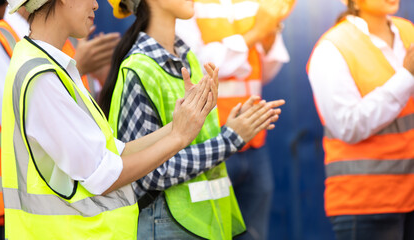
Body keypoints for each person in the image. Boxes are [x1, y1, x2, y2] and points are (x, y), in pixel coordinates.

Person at [1, 0, 218, 238]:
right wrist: (178, 137)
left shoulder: (46, 64)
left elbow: (113, 152)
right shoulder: (41, 77)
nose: (95, 5)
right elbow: (103, 176)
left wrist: (179, 124)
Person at [100, 0, 285, 239]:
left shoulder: (189, 59)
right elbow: (144, 174)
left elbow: (196, 139)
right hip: (171, 227)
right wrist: (229, 139)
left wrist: (233, 128)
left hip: (205, 225)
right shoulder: (140, 68)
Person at [0, 3, 121, 239]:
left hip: (70, 213)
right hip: (24, 216)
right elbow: (22, 116)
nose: (95, 4)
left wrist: (102, 75)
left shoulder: (66, 45)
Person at [175, 1, 293, 239]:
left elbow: (263, 72)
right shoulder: (184, 4)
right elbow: (195, 63)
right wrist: (256, 33)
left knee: (254, 233)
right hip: (209, 143)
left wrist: (268, 36)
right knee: (212, 231)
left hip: (254, 141)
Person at [307, 0, 414, 239]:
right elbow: (347, 126)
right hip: (366, 205)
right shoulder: (332, 49)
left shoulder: (408, 31)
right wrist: (407, 76)